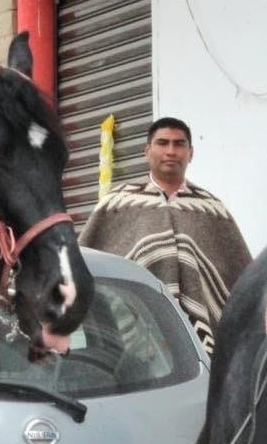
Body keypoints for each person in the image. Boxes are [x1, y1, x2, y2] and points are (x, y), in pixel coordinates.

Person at [79, 116, 253, 354]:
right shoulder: (117, 205)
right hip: (130, 340)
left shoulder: (212, 210)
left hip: (201, 346)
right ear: (147, 151)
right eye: (162, 143)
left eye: (179, 144)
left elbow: (242, 280)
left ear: (190, 153)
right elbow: (87, 267)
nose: (171, 151)